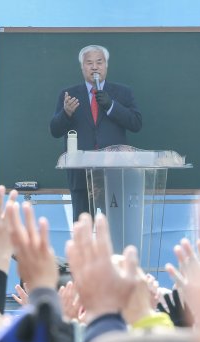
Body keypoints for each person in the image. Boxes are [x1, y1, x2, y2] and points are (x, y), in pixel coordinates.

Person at [50, 45, 142, 221]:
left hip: (114, 173)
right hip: (81, 174)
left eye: (99, 62)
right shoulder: (68, 95)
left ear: (106, 65)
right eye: (89, 63)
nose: (94, 67)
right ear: (82, 67)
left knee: (115, 230)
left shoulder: (122, 93)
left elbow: (136, 123)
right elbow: (54, 130)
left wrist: (112, 106)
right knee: (82, 231)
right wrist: (66, 114)